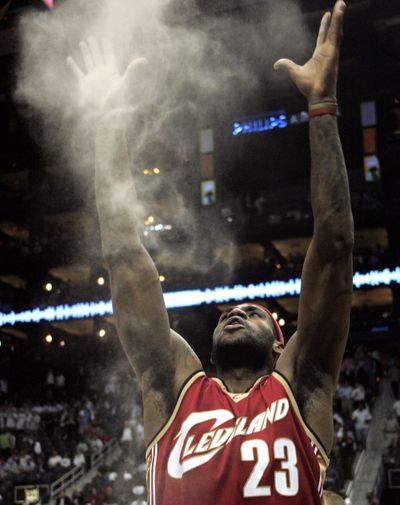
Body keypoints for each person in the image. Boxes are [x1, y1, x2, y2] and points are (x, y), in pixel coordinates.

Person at [68, 1, 353, 503]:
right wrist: (109, 124)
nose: (233, 314)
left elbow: (334, 244)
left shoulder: (300, 388)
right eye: (229, 312)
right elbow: (123, 253)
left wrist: (322, 108)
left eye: (252, 313)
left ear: (281, 347)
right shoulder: (173, 387)